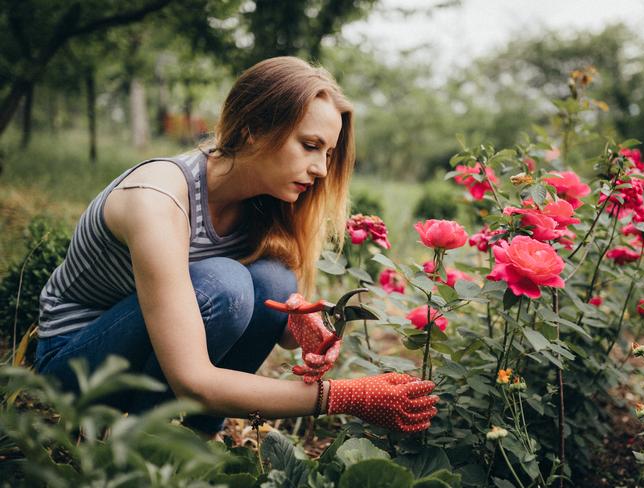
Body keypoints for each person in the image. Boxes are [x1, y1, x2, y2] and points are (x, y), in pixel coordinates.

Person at [34, 56, 439, 435]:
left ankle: (187, 451)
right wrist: (347, 395)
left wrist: (302, 327)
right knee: (223, 284)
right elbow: (193, 380)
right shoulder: (158, 199)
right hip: (76, 363)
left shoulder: (262, 208)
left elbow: (275, 332)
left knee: (274, 278)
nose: (320, 170)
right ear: (253, 130)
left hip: (148, 352)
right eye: (310, 145)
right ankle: (138, 456)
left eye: (329, 154)